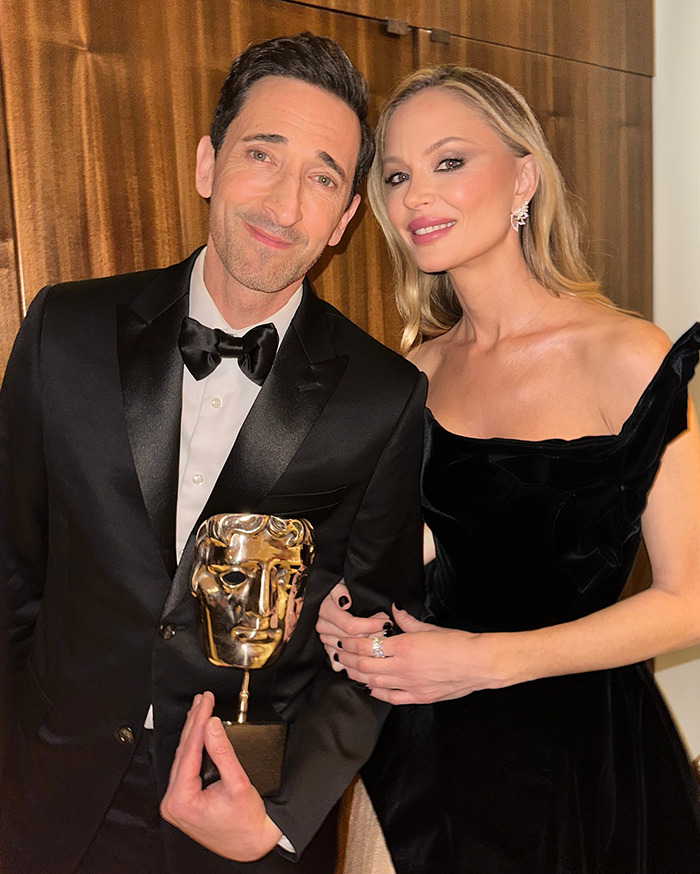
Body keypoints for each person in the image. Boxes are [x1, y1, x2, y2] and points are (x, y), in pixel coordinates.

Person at [0, 33, 427, 874]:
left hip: (241, 819)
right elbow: (12, 565)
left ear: (344, 218)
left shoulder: (385, 396)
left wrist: (281, 819)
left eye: (322, 177)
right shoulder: (65, 329)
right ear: (207, 162)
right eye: (262, 154)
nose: (284, 204)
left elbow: (375, 645)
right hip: (44, 796)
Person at [317, 65, 700, 873]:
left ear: (523, 175)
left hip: (580, 762)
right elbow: (415, 558)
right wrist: (348, 615)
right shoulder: (413, 373)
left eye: (449, 162)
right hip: (424, 764)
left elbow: (687, 603)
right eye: (397, 175)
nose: (418, 194)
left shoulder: (626, 355)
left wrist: (484, 661)